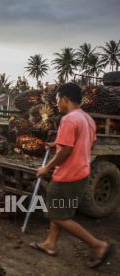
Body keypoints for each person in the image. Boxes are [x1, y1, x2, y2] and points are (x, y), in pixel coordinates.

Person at [30, 83, 115, 268]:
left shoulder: (68, 120)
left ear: (65, 99)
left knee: (59, 215)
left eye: (57, 100)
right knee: (60, 211)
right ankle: (50, 243)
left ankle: (98, 245)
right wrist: (57, 144)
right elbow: (86, 143)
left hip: (68, 176)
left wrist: (47, 168)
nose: (57, 104)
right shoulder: (87, 119)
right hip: (82, 173)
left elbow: (67, 150)